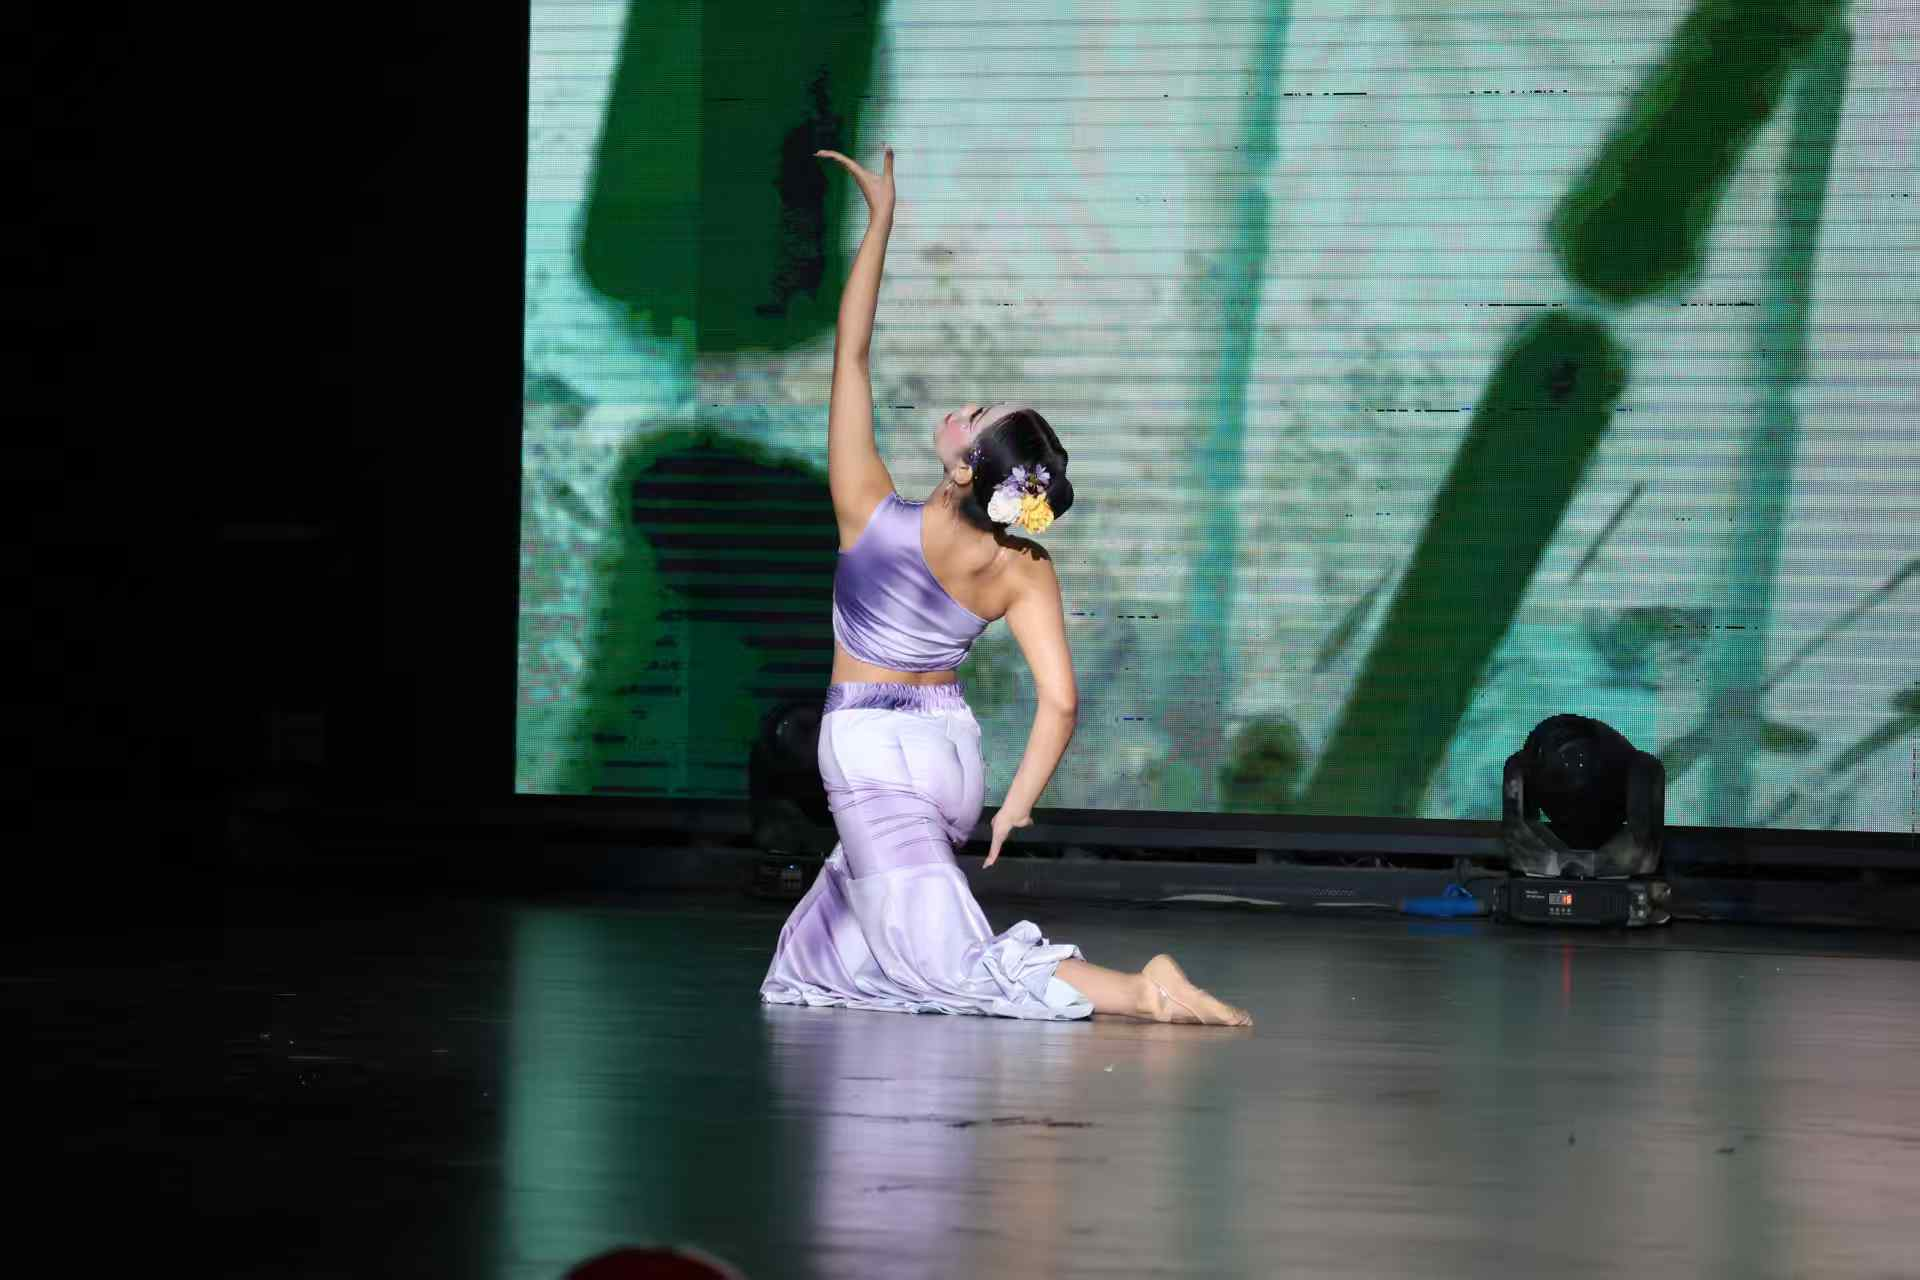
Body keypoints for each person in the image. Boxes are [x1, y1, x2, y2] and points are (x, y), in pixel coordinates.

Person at [759, 146, 1252, 1027]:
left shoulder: (867, 510)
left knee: (951, 967)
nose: (959, 413)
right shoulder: (1024, 566)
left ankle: (1142, 990)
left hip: (871, 750)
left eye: (973, 419)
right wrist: (1013, 805)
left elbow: (852, 357)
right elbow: (1060, 702)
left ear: (962, 470)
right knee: (825, 958)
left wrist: (880, 226)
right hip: (953, 758)